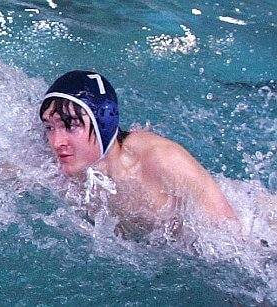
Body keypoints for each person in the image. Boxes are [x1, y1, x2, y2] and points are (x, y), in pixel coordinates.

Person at [38, 70, 239, 238]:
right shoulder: (62, 165)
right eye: (49, 128)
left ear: (104, 124)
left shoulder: (162, 159)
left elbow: (232, 237)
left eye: (71, 126)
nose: (57, 142)